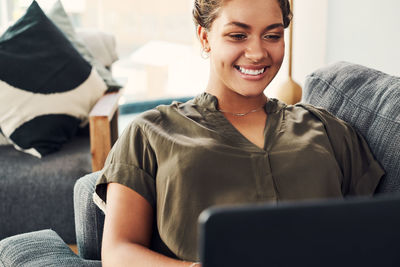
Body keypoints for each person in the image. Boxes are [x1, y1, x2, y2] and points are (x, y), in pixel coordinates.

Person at [93, 0, 384, 266]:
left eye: (272, 35)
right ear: (205, 38)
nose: (257, 53)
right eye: (238, 35)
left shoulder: (327, 129)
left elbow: (372, 237)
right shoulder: (150, 133)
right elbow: (118, 252)